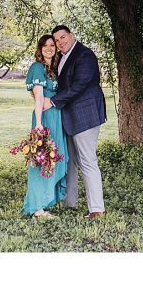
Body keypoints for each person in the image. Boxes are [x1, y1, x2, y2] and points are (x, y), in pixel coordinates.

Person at [45, 25, 107, 219]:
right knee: (71, 161)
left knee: (88, 161)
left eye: (63, 37)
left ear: (72, 36)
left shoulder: (84, 55)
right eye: (57, 40)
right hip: (69, 116)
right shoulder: (62, 58)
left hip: (85, 115)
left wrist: (53, 101)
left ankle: (97, 209)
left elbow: (80, 85)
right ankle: (69, 203)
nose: (60, 42)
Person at [22, 34, 69, 218]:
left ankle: (44, 201)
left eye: (52, 45)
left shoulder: (53, 69)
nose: (49, 48)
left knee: (56, 160)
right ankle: (37, 208)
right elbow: (39, 97)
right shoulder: (37, 67)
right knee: (41, 162)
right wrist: (39, 124)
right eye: (45, 45)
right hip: (45, 119)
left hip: (57, 118)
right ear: (40, 48)